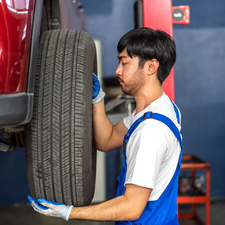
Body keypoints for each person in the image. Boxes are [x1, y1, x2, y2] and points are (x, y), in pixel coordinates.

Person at [28, 27, 182, 225]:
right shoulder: (161, 109)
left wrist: (70, 212)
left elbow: (132, 207)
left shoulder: (151, 132)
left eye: (124, 63)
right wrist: (98, 100)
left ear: (151, 67)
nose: (118, 70)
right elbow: (106, 140)